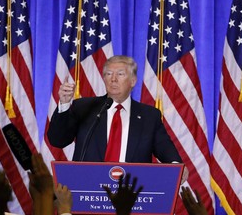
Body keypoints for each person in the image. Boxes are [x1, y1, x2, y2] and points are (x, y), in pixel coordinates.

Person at [46, 55, 180, 163]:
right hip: (90, 189)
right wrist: (63, 104)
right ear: (104, 79)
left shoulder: (149, 116)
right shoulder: (84, 107)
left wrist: (175, 165)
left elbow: (164, 147)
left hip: (131, 190)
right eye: (109, 74)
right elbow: (58, 140)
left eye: (120, 74)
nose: (113, 79)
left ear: (133, 81)